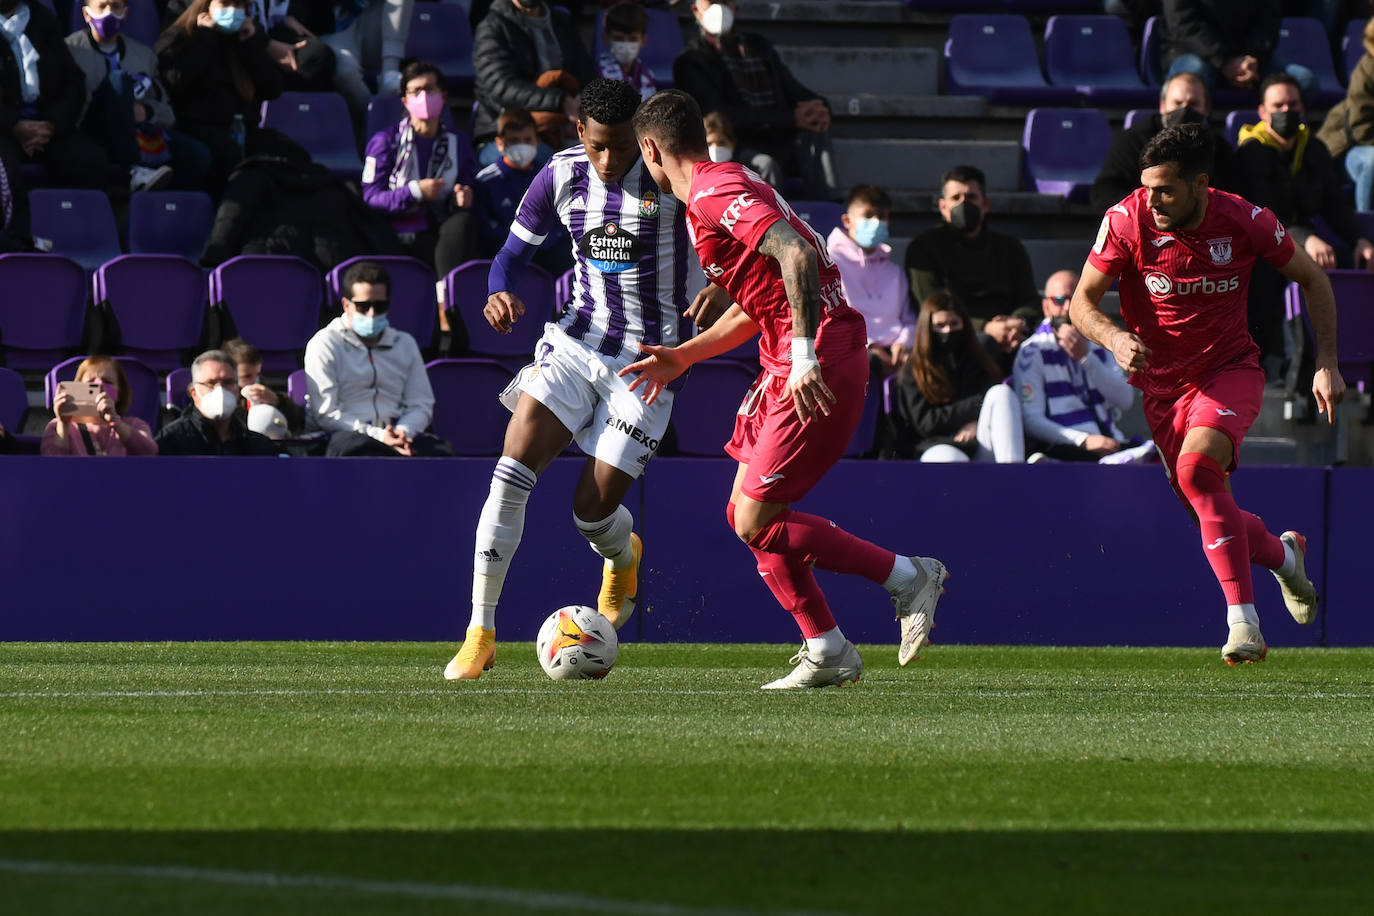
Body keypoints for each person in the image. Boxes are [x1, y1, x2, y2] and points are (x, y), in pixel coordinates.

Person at [625, 88, 950, 690]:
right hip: (793, 357)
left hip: (816, 359)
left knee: (753, 520)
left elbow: (798, 254)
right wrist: (684, 356)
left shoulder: (712, 193)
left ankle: (908, 578)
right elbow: (769, 296)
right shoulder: (729, 177)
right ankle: (826, 647)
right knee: (745, 514)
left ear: (651, 148)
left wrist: (802, 358)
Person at [444, 79, 727, 681]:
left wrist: (721, 281)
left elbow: (740, 245)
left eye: (622, 148)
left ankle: (621, 555)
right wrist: (498, 289)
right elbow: (510, 256)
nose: (608, 161)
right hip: (575, 342)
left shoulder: (674, 178)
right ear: (580, 133)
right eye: (598, 146)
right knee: (510, 473)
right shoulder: (560, 174)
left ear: (645, 142)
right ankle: (480, 632)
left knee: (591, 514)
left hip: (649, 360)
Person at [1069, 122, 1343, 665]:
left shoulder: (1244, 218)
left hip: (1228, 370)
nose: (1152, 200)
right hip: (1162, 390)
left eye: (1165, 189)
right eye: (1147, 188)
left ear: (1200, 183)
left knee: (1197, 472)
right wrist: (1115, 337)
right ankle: (1285, 556)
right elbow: (1080, 303)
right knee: (1207, 511)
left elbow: (1313, 278)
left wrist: (1327, 362)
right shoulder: (1125, 221)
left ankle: (1244, 624)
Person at [1236, 72, 1374, 376]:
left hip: (1295, 243)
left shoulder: (1314, 149)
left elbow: (1333, 205)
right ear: (1262, 111)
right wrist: (1305, 239)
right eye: (1278, 105)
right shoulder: (1251, 152)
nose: (1287, 112)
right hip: (1258, 249)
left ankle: (1345, 365)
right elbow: (1262, 212)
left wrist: (1360, 239)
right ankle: (1277, 363)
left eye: (1293, 105)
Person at [673, 0, 835, 199]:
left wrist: (820, 108)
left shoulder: (758, 47)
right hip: (736, 144)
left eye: (725, 1)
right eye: (712, 2)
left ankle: (828, 212)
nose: (720, 8)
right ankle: (774, 227)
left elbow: (794, 89)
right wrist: (789, 119)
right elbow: (718, 116)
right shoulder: (690, 60)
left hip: (779, 138)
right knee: (765, 165)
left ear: (735, 7)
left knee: (815, 131)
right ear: (696, 11)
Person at [304, 260, 451, 457]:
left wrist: (404, 432)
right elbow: (327, 413)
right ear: (346, 305)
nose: (372, 313)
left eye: (380, 306)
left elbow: (421, 404)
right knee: (363, 451)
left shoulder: (405, 343)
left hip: (400, 436)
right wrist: (379, 436)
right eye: (364, 306)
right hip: (344, 438)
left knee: (443, 455)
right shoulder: (325, 343)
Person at [65, 0, 211, 191]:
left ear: (125, 14)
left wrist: (147, 111)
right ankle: (134, 170)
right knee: (118, 80)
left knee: (199, 154)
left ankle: (168, 203)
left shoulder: (144, 56)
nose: (109, 13)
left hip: (141, 132)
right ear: (86, 14)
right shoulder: (70, 51)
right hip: (93, 130)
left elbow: (167, 112)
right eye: (102, 7)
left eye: (116, 7)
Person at [1013, 269, 1154, 464]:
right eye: (1060, 300)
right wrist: (1084, 441)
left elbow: (1126, 399)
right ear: (1046, 307)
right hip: (1063, 450)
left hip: (1110, 443)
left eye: (1075, 299)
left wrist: (1086, 357)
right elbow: (1031, 420)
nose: (1068, 307)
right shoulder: (1032, 351)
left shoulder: (1097, 343)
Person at [156, 0, 288, 196]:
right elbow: (176, 81)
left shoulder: (245, 37)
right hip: (199, 130)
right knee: (229, 160)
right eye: (225, 4)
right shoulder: (181, 35)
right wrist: (205, 37)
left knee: (288, 155)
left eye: (239, 6)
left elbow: (272, 88)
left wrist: (251, 45)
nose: (232, 11)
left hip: (242, 130)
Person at [362, 59, 477, 278]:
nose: (423, 96)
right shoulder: (385, 142)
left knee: (464, 222)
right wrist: (415, 192)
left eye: (429, 89)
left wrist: (462, 197)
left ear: (443, 96)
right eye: (415, 91)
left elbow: (467, 182)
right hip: (393, 229)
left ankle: (448, 301)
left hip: (438, 227)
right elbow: (371, 197)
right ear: (405, 101)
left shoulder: (459, 143)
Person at [891, 290, 1025, 464]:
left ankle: (1014, 479)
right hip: (935, 447)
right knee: (952, 460)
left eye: (954, 324)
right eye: (940, 325)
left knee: (1002, 393)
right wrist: (973, 409)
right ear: (927, 327)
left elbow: (989, 399)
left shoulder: (978, 359)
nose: (948, 331)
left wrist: (977, 423)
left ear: (965, 324)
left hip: (978, 441)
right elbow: (926, 423)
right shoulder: (914, 369)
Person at [905, 164, 1039, 327]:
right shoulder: (923, 249)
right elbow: (929, 309)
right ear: (943, 206)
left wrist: (1017, 323)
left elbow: (1029, 299)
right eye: (956, 198)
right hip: (952, 337)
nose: (963, 204)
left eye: (971, 197)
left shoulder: (1010, 248)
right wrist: (984, 327)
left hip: (1010, 335)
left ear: (985, 205)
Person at [0, 0, 111, 195]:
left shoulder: (42, 20)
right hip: (4, 129)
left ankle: (72, 222)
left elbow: (73, 83)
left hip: (47, 126)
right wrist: (13, 125)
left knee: (89, 161)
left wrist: (50, 124)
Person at [1092, 72, 1237, 212]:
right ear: (1163, 106)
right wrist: (1155, 206)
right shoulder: (1134, 140)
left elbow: (1231, 197)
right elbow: (1104, 193)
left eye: (1193, 104)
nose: (1184, 110)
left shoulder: (1217, 147)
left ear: (1206, 109)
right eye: (1177, 103)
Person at [472, 0, 594, 164]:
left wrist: (580, 107)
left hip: (564, 128)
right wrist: (560, 102)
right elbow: (500, 86)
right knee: (549, 162)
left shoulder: (561, 22)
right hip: (506, 132)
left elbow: (587, 75)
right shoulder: (493, 26)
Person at [826, 184, 912, 378]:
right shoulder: (829, 262)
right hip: (854, 351)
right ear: (847, 221)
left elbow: (909, 320)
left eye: (881, 216)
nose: (876, 222)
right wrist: (870, 345)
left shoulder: (894, 271)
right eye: (868, 215)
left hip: (896, 354)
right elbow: (831, 319)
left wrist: (904, 343)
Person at [473, 106, 570, 274]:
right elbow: (484, 226)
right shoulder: (486, 180)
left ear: (537, 141)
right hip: (505, 251)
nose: (522, 146)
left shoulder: (548, 176)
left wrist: (548, 239)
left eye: (527, 140)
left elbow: (561, 220)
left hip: (547, 249)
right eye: (514, 140)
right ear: (500, 143)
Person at [1159, 0, 1317, 102]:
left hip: (1248, 60)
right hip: (1194, 52)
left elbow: (1269, 22)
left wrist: (1251, 59)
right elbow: (1182, 23)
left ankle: (1274, 145)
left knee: (1303, 81)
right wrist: (1225, 61)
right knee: (1190, 87)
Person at [156, 349, 280, 455]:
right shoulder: (171, 441)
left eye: (228, 382)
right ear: (194, 393)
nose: (220, 390)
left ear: (237, 390)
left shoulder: (258, 446)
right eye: (211, 383)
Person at [41, 356, 157, 456]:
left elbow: (150, 452)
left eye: (108, 381)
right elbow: (52, 464)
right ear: (77, 389)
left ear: (120, 393)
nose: (100, 385)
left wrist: (116, 423)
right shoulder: (56, 426)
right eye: (91, 383)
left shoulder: (135, 425)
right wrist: (63, 425)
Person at [224, 337, 304, 434]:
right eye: (247, 376)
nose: (254, 381)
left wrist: (277, 401)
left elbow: (296, 421)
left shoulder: (262, 387)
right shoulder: (220, 399)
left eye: (258, 374)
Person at [702, 108, 781, 191]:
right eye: (709, 144)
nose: (716, 148)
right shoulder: (698, 172)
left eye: (722, 143)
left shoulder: (758, 166)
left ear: (733, 143)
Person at [596, 0, 655, 101]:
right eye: (618, 38)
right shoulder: (596, 74)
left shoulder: (647, 75)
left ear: (644, 40)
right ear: (605, 38)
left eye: (633, 39)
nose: (625, 44)